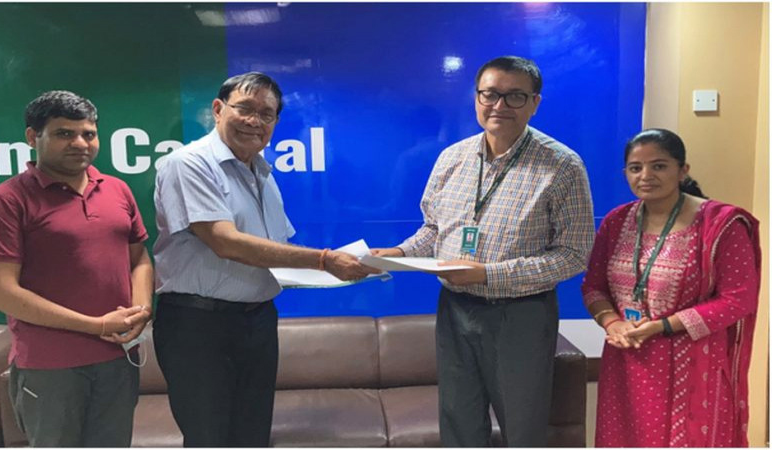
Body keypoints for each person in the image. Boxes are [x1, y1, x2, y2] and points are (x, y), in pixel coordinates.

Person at [372, 56, 595, 447]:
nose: (499, 105)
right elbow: (434, 230)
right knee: (458, 423)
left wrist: (489, 274)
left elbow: (573, 254)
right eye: (490, 94)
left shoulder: (562, 165)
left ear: (535, 103)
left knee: (522, 428)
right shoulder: (452, 158)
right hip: (455, 309)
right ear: (476, 98)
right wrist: (398, 251)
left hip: (521, 316)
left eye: (515, 96)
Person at [152, 71, 379, 447]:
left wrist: (351, 265)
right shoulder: (189, 163)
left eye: (266, 114)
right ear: (218, 109)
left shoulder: (261, 172)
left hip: (256, 322)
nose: (254, 121)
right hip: (199, 326)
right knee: (209, 437)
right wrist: (325, 260)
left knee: (253, 435)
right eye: (244, 108)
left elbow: (272, 248)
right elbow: (225, 242)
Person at [0, 90, 153, 447]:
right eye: (64, 134)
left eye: (88, 133)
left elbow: (140, 259)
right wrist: (96, 325)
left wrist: (142, 308)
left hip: (118, 360)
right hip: (50, 368)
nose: (80, 143)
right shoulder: (5, 201)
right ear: (32, 137)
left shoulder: (117, 190)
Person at [581, 128, 761, 447]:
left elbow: (738, 299)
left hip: (693, 364)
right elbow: (593, 287)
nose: (646, 175)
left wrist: (662, 326)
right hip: (626, 360)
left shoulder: (721, 224)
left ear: (682, 170)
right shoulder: (616, 222)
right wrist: (613, 323)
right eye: (635, 168)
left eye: (659, 166)